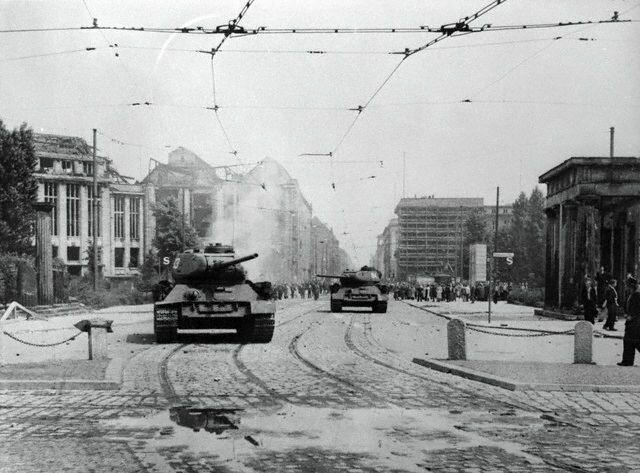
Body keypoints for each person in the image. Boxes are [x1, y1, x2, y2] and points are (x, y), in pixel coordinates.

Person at [618, 275, 640, 366]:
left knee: (634, 341)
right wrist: (627, 314)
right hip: (630, 321)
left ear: (631, 286)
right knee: (628, 341)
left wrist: (632, 316)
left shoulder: (637, 295)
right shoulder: (630, 295)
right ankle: (627, 361)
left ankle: (627, 360)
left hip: (636, 322)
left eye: (627, 285)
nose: (626, 287)